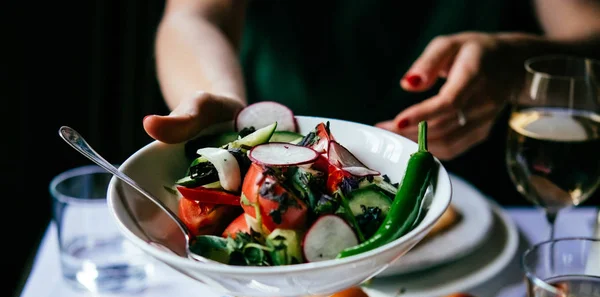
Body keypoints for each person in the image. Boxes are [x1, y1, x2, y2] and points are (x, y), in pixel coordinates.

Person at [142, 0, 600, 205]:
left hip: (472, 187)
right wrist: (225, 104)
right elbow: (193, 17)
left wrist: (520, 61)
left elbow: (588, 30)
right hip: (273, 176)